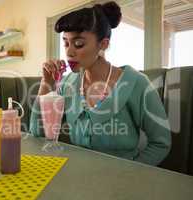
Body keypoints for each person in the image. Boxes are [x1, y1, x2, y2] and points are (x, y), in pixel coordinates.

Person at [29, 1, 171, 166]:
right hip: (78, 176)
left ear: (103, 44)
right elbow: (37, 132)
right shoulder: (68, 84)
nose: (69, 52)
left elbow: (161, 143)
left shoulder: (136, 83)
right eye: (66, 43)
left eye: (79, 44)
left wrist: (131, 174)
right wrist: (47, 83)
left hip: (122, 182)